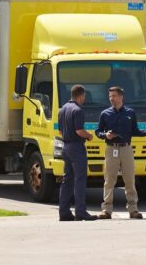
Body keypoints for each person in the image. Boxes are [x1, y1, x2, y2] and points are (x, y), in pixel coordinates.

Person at [95, 86, 146, 219]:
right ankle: (106, 210)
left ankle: (133, 210)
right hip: (111, 149)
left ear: (121, 97)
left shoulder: (130, 113)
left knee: (129, 180)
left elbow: (135, 131)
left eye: (114, 96)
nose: (111, 99)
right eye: (110, 96)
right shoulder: (105, 114)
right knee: (109, 180)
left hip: (126, 149)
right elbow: (98, 132)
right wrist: (105, 135)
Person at [57, 84, 96, 221]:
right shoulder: (78, 110)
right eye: (84, 96)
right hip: (76, 147)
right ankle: (80, 211)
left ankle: (64, 212)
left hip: (65, 146)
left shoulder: (62, 109)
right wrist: (89, 136)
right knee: (80, 179)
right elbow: (79, 130)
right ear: (81, 96)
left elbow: (60, 131)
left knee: (67, 180)